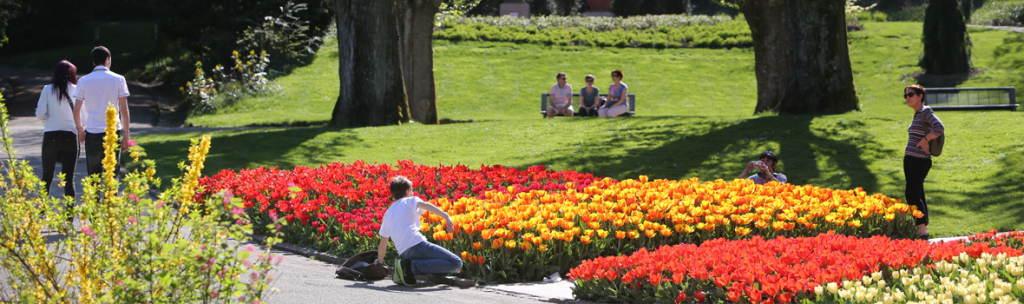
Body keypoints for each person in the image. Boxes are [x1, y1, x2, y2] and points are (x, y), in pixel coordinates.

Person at [376, 176, 462, 287]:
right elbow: (426, 205)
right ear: (407, 191)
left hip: (404, 253)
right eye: (411, 189)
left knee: (441, 266)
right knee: (456, 263)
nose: (412, 192)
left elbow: (383, 243)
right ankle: (410, 266)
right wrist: (446, 216)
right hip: (416, 244)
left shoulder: (388, 212)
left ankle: (407, 265)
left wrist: (379, 263)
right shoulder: (410, 200)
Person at [73, 46, 131, 177]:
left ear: (93, 62)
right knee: (112, 176)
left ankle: (95, 198)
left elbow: (76, 111)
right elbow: (124, 109)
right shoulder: (119, 79)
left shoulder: (83, 81)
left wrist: (80, 129)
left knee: (94, 177)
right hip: (112, 132)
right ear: (107, 60)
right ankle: (111, 198)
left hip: (92, 131)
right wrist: (126, 134)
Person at [35, 60, 80, 204]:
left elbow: (40, 114)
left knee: (47, 176)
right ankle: (70, 216)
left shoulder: (47, 89)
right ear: (72, 74)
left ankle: (41, 212)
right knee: (69, 178)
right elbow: (83, 116)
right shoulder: (77, 89)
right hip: (70, 135)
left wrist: (49, 118)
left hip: (51, 136)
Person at [902, 84, 944, 240]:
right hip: (911, 159)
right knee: (917, 192)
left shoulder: (926, 111)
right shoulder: (917, 113)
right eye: (905, 95)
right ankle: (922, 229)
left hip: (920, 160)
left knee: (911, 193)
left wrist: (926, 140)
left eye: (911, 94)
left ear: (920, 96)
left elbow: (939, 127)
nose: (907, 98)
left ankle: (921, 231)